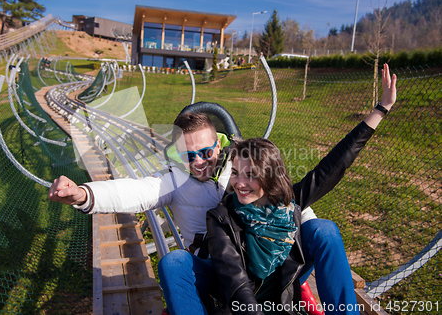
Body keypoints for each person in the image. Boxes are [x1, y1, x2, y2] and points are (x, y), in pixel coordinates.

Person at [48, 64, 397, 315]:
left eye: (206, 151)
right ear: (180, 155)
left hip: (272, 260)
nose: (200, 161)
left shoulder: (241, 165)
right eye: (190, 155)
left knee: (322, 229)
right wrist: (83, 193)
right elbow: (133, 191)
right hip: (221, 270)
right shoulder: (179, 182)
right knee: (174, 262)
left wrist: (379, 110)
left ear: (220, 144)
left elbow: (315, 181)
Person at [205, 64, 397, 315]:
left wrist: (381, 109)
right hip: (245, 306)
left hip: (283, 295)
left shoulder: (287, 204)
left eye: (251, 175)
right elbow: (237, 284)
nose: (239, 183)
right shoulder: (223, 217)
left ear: (269, 176)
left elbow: (332, 167)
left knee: (324, 229)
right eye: (236, 173)